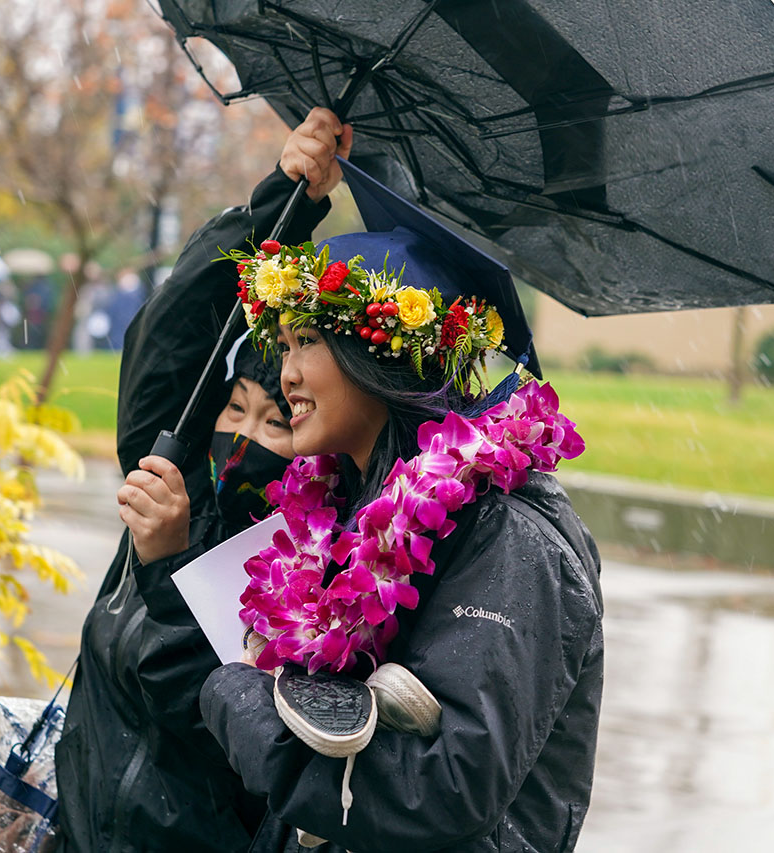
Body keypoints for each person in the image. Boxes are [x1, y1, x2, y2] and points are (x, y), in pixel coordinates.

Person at [194, 161, 604, 852]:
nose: (286, 372)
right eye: (284, 343)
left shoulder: (509, 537)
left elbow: (444, 791)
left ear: (382, 356)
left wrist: (256, 723)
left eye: (309, 342)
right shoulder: (334, 512)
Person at [54, 107, 353, 853]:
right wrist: (282, 203)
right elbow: (165, 342)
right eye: (235, 408)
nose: (244, 435)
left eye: (275, 423)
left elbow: (204, 709)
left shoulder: (315, 564)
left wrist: (171, 560)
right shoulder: (180, 484)